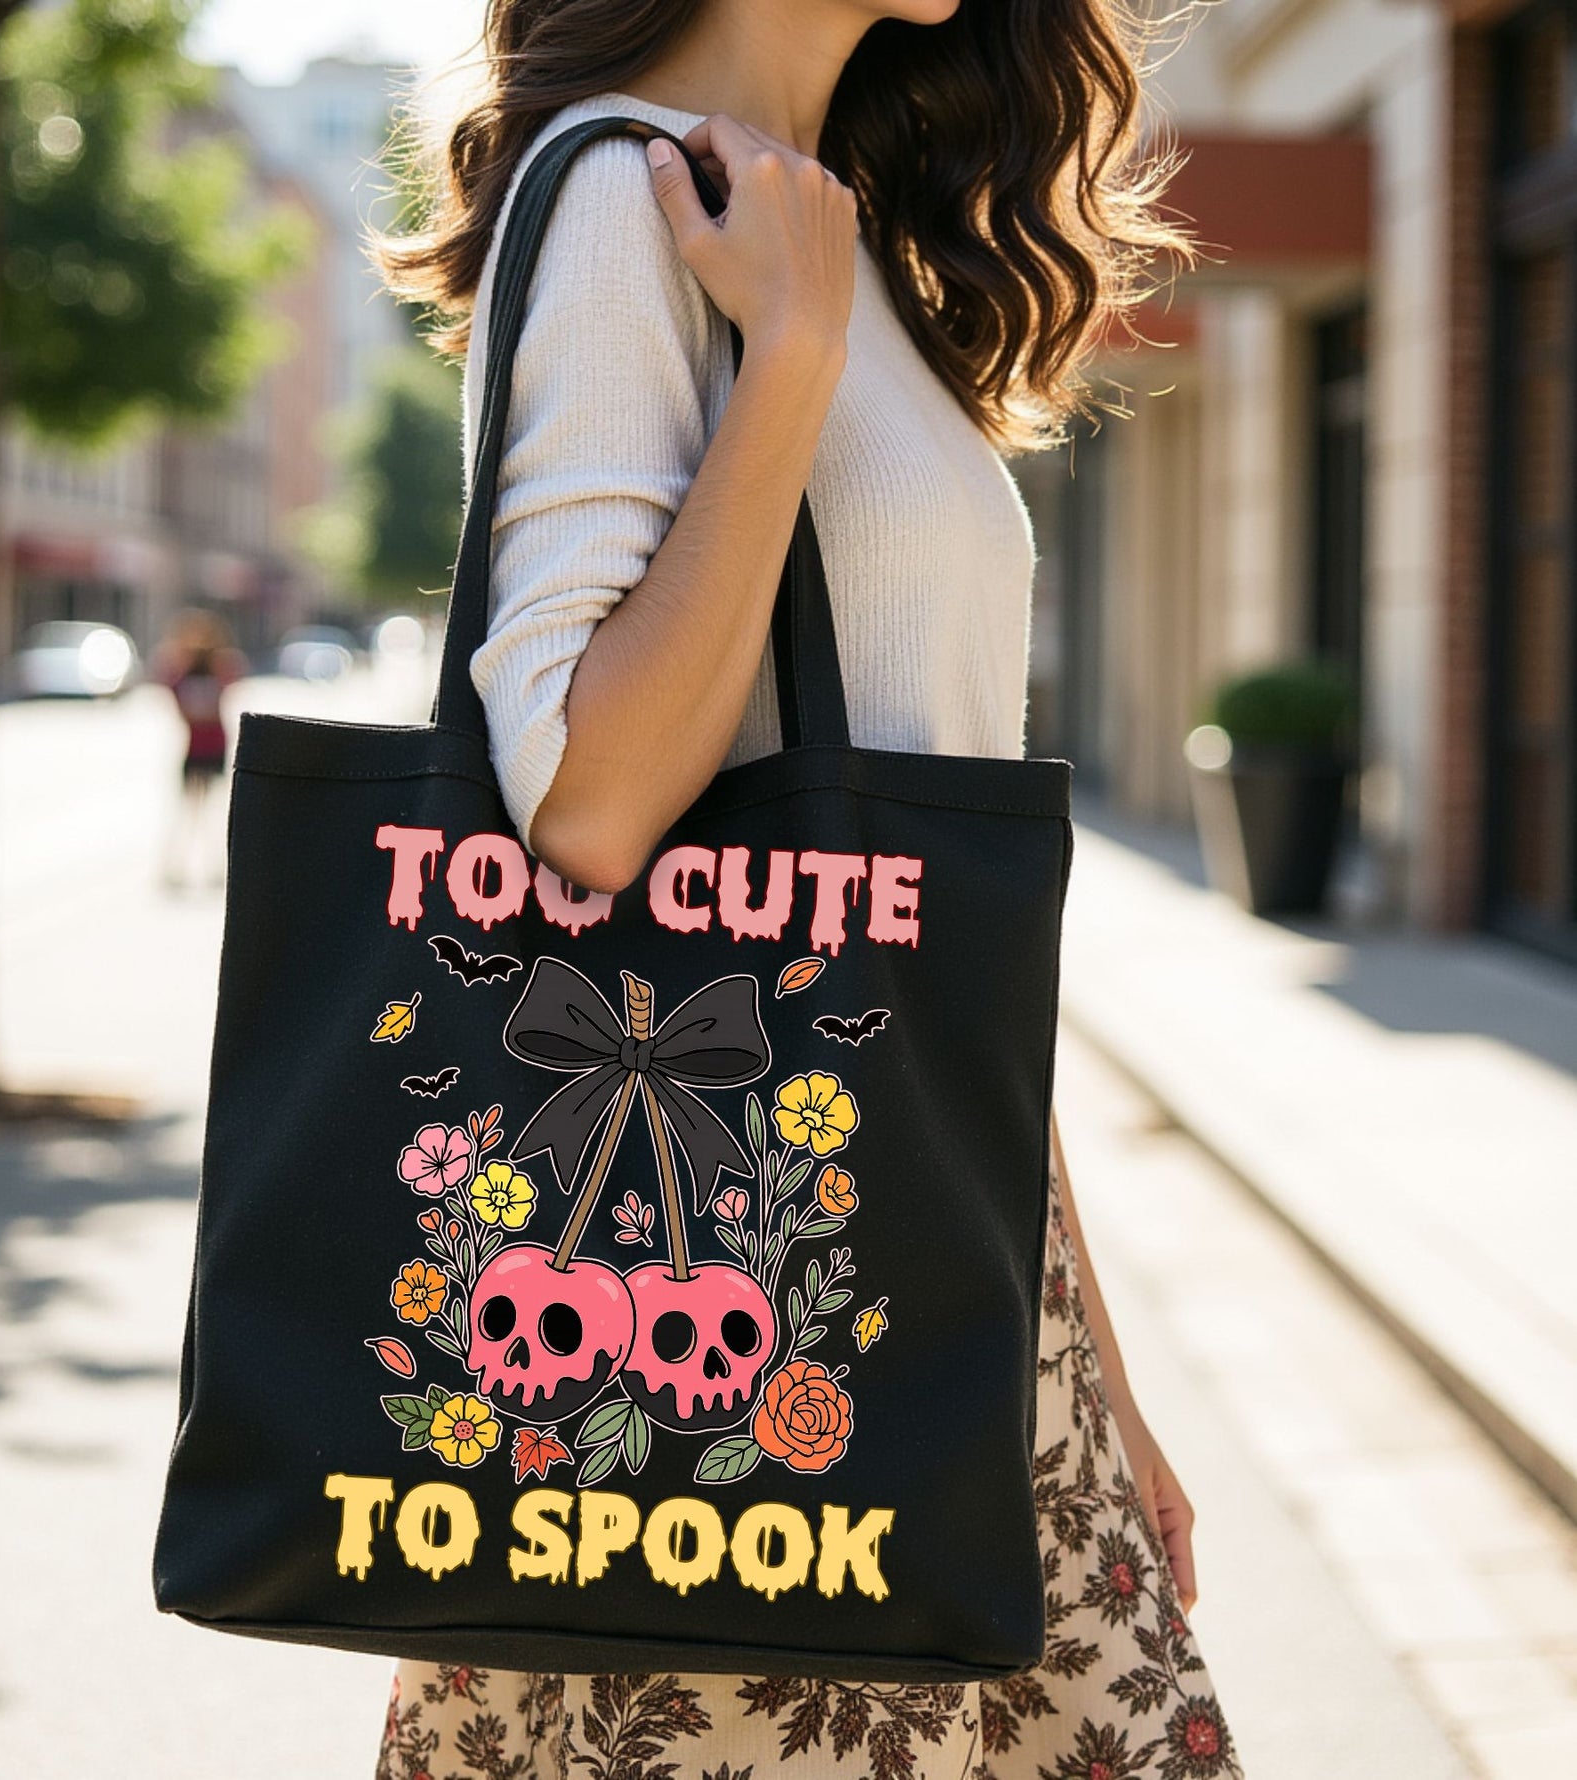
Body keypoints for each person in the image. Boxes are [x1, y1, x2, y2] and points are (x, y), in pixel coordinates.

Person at [370, 2, 1242, 1775]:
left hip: (951, 1292)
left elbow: (932, 936)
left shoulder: (827, 236)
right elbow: (590, 801)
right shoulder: (630, 201)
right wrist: (785, 357)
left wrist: (1090, 1365)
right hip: (735, 1365)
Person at [154, 607, 245, 890]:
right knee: (189, 809)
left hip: (213, 746)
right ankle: (177, 866)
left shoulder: (218, 669)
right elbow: (167, 683)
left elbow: (234, 676)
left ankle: (217, 867)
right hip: (196, 747)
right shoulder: (184, 673)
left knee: (214, 811)